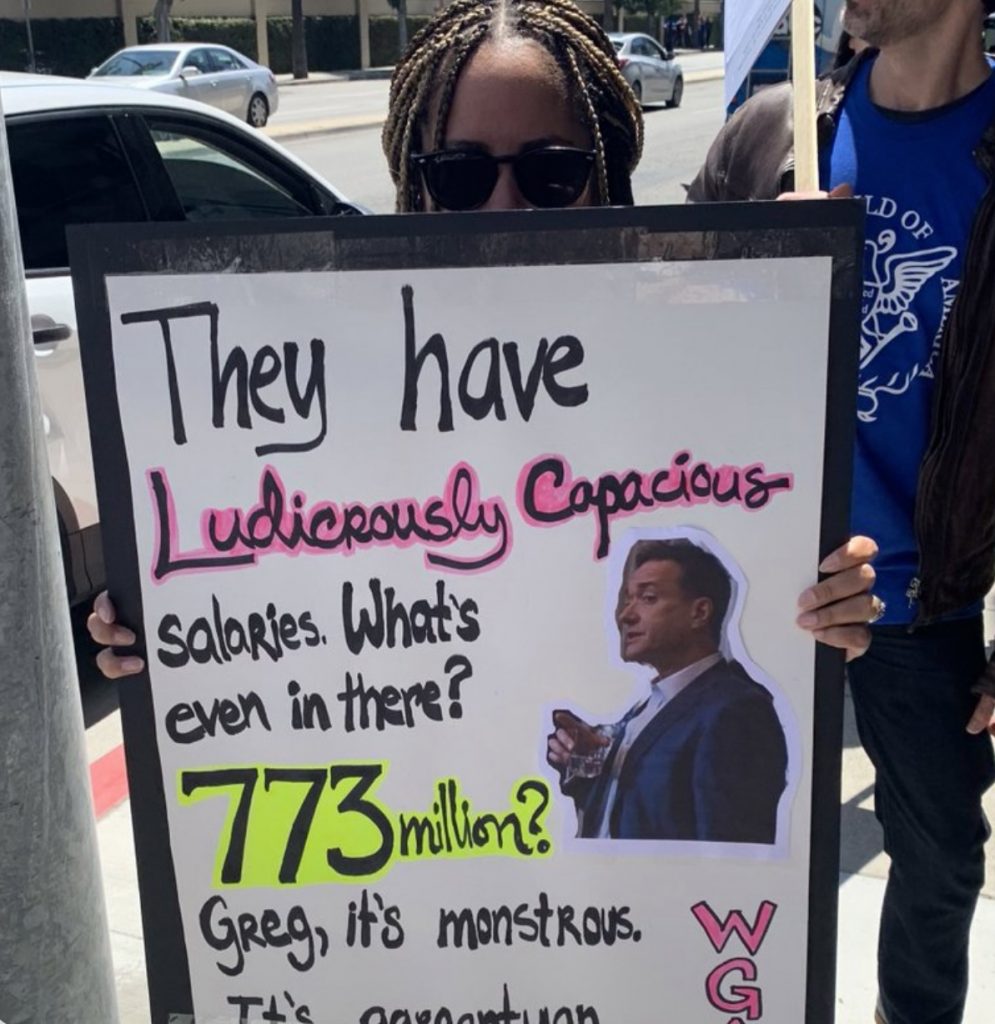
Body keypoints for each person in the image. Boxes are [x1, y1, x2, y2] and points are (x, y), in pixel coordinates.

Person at [88, 1, 877, 697]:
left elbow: (759, 581)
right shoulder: (325, 380)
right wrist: (158, 632)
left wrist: (818, 603)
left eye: (551, 173)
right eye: (460, 175)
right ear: (416, 184)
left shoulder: (707, 362)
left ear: (602, 174)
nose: (505, 206)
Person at [689, 2, 995, 1022]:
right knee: (706, 836)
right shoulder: (779, 128)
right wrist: (742, 274)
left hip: (917, 599)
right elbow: (647, 315)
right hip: (746, 574)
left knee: (940, 859)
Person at [547, 538, 788, 843]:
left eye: (648, 598)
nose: (625, 615)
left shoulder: (735, 711)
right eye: (627, 599)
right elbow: (633, 810)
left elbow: (729, 849)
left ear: (700, 612)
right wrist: (586, 764)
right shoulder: (650, 706)